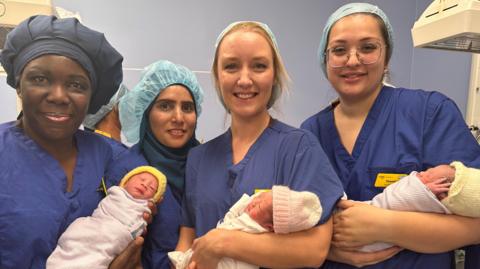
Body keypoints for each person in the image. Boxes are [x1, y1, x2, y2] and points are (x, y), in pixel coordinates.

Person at [301, 3, 480, 269]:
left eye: (368, 47)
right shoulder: (309, 135)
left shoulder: (429, 114)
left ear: (387, 56)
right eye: (339, 50)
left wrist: (385, 226)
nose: (352, 60)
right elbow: (299, 228)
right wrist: (330, 250)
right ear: (325, 59)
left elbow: (475, 222)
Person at [176, 21, 344, 269]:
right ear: (218, 75)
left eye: (259, 66)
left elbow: (314, 249)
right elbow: (187, 240)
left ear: (274, 75)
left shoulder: (298, 148)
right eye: (231, 66)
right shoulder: (199, 158)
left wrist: (223, 243)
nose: (244, 80)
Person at [0, 15, 152, 269]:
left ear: (92, 96)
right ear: (18, 84)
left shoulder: (115, 157)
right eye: (39, 79)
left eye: (76, 85)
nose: (59, 96)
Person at [105, 60, 204, 269]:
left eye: (187, 107)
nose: (178, 117)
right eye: (165, 106)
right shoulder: (127, 171)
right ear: (146, 113)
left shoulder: (209, 165)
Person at [169, 185, 322, 268]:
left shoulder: (256, 228)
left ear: (270, 226)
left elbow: (229, 221)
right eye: (260, 197)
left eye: (260, 206)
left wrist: (220, 240)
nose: (254, 202)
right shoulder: (197, 157)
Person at [47, 166, 167, 268]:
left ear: (154, 199)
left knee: (96, 256)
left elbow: (138, 230)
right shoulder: (116, 192)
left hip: (114, 235)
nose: (145, 185)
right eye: (141, 179)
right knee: (74, 241)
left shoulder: (144, 207)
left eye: (152, 188)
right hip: (91, 225)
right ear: (124, 182)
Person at [357, 162, 480, 252]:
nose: (421, 172)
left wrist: (424, 191)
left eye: (429, 174)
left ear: (441, 192)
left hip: (367, 235)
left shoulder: (433, 203)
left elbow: (396, 202)